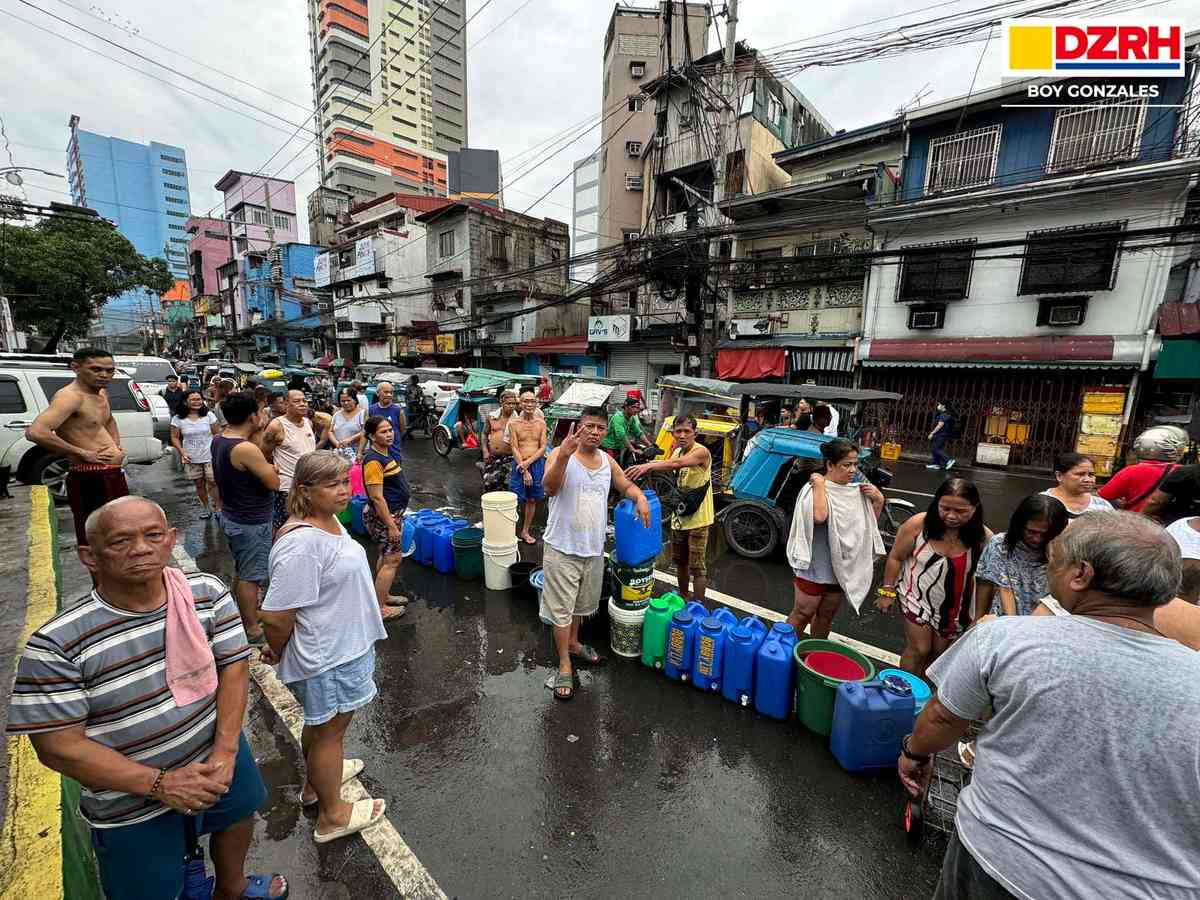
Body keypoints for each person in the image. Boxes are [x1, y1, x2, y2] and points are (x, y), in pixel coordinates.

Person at [900, 512, 1200, 900]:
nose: (1046, 568)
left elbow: (941, 716)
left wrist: (913, 753)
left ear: (1081, 575)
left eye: (1053, 560)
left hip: (998, 864)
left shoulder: (1001, 640)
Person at [5, 496, 286, 900]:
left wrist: (225, 749)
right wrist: (160, 784)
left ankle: (231, 888)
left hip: (217, 754)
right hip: (127, 797)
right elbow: (58, 747)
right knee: (147, 886)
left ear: (171, 540)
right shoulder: (58, 644)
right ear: (90, 556)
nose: (140, 548)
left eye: (153, 535)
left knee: (237, 816)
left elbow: (235, 668)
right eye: (121, 541)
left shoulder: (205, 593)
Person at [259, 452, 388, 844]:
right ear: (304, 490)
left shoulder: (327, 520)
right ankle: (332, 815)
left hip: (340, 646)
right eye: (332, 485)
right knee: (330, 731)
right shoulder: (301, 544)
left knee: (323, 726)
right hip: (328, 656)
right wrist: (279, 650)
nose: (344, 491)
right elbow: (277, 616)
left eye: (344, 482)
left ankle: (317, 785)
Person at [543, 408, 651, 701]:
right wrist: (564, 455)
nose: (594, 432)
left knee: (580, 605)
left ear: (606, 432)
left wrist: (639, 497)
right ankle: (564, 663)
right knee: (562, 610)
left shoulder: (607, 461)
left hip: (592, 549)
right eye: (589, 426)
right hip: (562, 548)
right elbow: (549, 489)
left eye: (600, 428)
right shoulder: (560, 454)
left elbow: (624, 484)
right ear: (578, 428)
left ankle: (575, 644)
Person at [877, 478, 989, 678]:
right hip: (915, 597)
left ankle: (923, 696)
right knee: (919, 649)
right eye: (945, 508)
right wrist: (887, 591)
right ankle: (905, 691)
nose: (952, 516)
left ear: (975, 508)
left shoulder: (984, 538)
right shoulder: (918, 525)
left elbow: (987, 581)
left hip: (956, 609)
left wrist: (979, 616)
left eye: (961, 511)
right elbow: (895, 557)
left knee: (939, 654)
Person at [25, 347, 128, 548]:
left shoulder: (101, 393)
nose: (104, 375)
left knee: (120, 532)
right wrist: (81, 452)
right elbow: (36, 432)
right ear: (76, 368)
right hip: (89, 477)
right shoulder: (70, 397)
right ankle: (99, 580)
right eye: (96, 369)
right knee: (96, 537)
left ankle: (118, 579)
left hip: (112, 472)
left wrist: (117, 447)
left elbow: (108, 421)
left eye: (110, 370)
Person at [783, 438, 886, 637]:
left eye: (855, 465)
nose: (853, 470)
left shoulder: (854, 492)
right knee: (803, 613)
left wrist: (878, 500)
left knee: (825, 616)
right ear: (830, 465)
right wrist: (820, 484)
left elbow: (864, 529)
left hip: (841, 568)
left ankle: (815, 656)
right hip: (814, 566)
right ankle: (783, 653)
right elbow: (819, 516)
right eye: (846, 465)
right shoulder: (813, 489)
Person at [211, 392, 279, 646]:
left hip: (234, 515)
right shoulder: (245, 448)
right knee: (252, 576)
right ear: (252, 416)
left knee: (243, 571)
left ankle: (248, 614)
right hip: (251, 521)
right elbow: (273, 482)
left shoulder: (220, 439)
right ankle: (251, 628)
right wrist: (273, 470)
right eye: (261, 412)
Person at [627, 415, 715, 602]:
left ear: (695, 434)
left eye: (687, 431)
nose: (682, 435)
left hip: (699, 519)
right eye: (678, 431)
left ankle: (698, 606)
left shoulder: (702, 452)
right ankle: (683, 596)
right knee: (680, 562)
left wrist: (647, 467)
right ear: (673, 433)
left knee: (697, 567)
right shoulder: (677, 452)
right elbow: (670, 463)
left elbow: (677, 465)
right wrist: (648, 463)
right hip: (680, 518)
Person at [974, 494, 1069, 618]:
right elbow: (1003, 588)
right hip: (1006, 620)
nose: (1037, 539)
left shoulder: (1063, 551)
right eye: (1031, 532)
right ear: (1019, 524)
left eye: (1045, 534)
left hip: (1046, 622)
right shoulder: (1001, 544)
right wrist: (979, 617)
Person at [361, 416, 410, 620]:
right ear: (372, 436)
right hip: (385, 516)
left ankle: (383, 595)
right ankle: (379, 609)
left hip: (391, 514)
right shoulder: (373, 460)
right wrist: (391, 526)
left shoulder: (385, 453)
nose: (389, 434)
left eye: (390, 430)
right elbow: (377, 497)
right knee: (392, 559)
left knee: (385, 556)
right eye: (383, 431)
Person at [262, 390, 320, 532]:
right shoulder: (277, 425)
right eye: (297, 401)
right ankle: (278, 552)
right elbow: (264, 452)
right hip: (288, 488)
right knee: (285, 526)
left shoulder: (308, 422)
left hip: (309, 485)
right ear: (286, 404)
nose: (302, 404)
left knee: (306, 524)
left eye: (304, 401)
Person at [1096, 425, 1187, 513]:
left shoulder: (1130, 471)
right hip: (1171, 524)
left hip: (1136, 522)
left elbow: (1101, 497)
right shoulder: (1184, 472)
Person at [170, 390, 221, 519]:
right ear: (185, 401)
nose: (197, 402)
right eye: (193, 399)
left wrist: (217, 450)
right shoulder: (177, 418)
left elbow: (217, 433)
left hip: (210, 455)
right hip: (191, 457)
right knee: (199, 484)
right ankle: (206, 508)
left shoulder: (209, 415)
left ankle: (219, 507)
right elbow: (174, 437)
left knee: (213, 481)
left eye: (199, 399)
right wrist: (182, 452)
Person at [509, 389, 548, 544]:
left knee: (532, 499)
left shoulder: (541, 423)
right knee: (515, 499)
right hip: (520, 463)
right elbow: (514, 447)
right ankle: (510, 529)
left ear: (536, 404)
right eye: (526, 401)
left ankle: (525, 531)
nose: (529, 404)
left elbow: (543, 447)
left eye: (532, 401)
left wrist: (528, 464)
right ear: (520, 402)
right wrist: (524, 469)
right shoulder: (513, 424)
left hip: (536, 463)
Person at [1042, 451, 1115, 519]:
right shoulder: (1042, 503)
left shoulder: (1102, 506)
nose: (1088, 480)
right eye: (1080, 474)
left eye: (1091, 474)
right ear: (1059, 476)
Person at [481, 390, 518, 492]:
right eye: (509, 403)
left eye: (514, 403)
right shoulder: (492, 417)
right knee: (489, 486)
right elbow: (484, 434)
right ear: (501, 403)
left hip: (510, 458)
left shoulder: (518, 420)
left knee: (507, 489)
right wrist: (485, 451)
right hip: (492, 458)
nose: (512, 406)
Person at [601, 397, 651, 465]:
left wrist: (649, 445)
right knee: (612, 467)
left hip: (619, 447)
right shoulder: (618, 418)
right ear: (626, 407)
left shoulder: (631, 418)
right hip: (609, 447)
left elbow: (638, 433)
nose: (636, 410)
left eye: (637, 407)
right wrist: (632, 449)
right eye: (633, 407)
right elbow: (621, 435)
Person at [326, 388, 366, 464]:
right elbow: (330, 431)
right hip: (339, 452)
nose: (346, 403)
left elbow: (365, 431)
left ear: (355, 400)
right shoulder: (337, 414)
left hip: (357, 453)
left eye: (348, 400)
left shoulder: (362, 414)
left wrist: (350, 439)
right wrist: (337, 444)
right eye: (343, 401)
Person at [368, 382, 406, 448]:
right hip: (376, 450)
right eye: (386, 392)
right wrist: (360, 451)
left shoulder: (398, 410)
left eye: (391, 393)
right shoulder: (370, 410)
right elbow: (366, 431)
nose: (389, 395)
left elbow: (402, 430)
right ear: (377, 393)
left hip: (394, 451)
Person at [926, 402, 955, 470]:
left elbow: (940, 425)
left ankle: (949, 460)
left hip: (941, 435)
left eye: (939, 404)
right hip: (941, 434)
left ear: (943, 406)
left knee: (936, 449)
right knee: (934, 449)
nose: (938, 406)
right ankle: (936, 464)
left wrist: (932, 433)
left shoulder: (944, 415)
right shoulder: (945, 414)